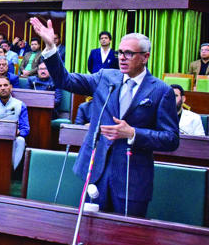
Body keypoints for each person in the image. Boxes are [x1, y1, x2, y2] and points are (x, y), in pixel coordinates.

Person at [31, 17, 179, 217]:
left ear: (145, 57)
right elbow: (65, 80)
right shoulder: (105, 77)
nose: (122, 58)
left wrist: (133, 133)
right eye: (120, 52)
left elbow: (171, 139)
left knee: (126, 232)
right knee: (90, 229)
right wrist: (50, 48)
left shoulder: (161, 91)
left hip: (131, 177)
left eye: (129, 53)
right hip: (96, 169)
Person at [0, 76, 29, 169]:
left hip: (13, 138)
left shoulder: (20, 105)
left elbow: (25, 129)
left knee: (21, 140)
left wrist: (17, 132)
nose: (3, 88)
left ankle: (11, 171)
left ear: (10, 87)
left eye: (5, 85)